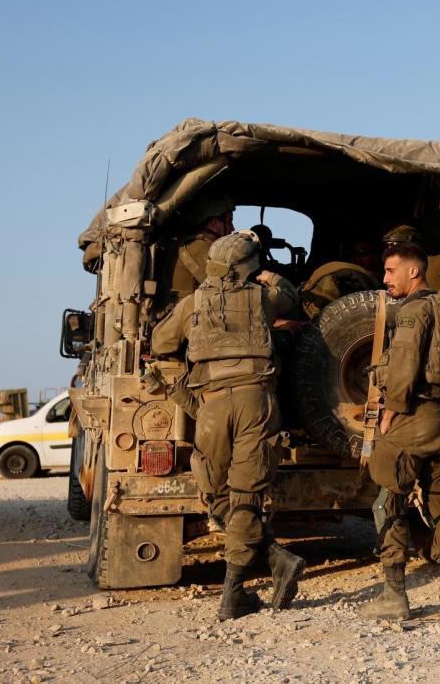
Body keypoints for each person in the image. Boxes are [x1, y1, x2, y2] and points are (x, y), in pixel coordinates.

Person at [151, 231, 306, 620]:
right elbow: (292, 296)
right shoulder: (263, 299)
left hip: (212, 406)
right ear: (247, 269)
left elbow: (159, 343)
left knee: (217, 493)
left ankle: (236, 590)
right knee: (246, 494)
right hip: (256, 401)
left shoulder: (192, 305)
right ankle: (268, 562)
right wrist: (269, 277)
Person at [361, 241, 440, 620]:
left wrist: (391, 412)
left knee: (391, 500)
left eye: (390, 271)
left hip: (413, 416)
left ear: (414, 272)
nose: (385, 278)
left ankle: (394, 595)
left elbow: (403, 365)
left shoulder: (413, 311)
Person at [167, 195, 237, 298]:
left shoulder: (188, 244)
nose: (232, 228)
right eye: (229, 222)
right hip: (187, 312)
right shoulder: (202, 248)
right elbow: (231, 287)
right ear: (214, 223)